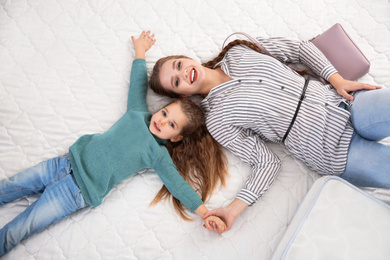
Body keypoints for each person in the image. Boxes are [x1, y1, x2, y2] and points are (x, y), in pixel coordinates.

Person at [0, 31, 228, 256]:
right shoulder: (137, 113)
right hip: (61, 164)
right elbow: (137, 84)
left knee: (22, 227)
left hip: (76, 193)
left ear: (176, 138)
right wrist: (140, 52)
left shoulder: (157, 154)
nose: (162, 120)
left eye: (171, 125)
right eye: (166, 112)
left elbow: (178, 185)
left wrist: (205, 212)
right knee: (10, 185)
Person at [149, 35, 390, 233]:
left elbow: (299, 49)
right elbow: (266, 163)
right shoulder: (218, 121)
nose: (183, 74)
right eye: (176, 82)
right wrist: (232, 210)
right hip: (332, 151)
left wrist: (335, 79)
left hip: (345, 102)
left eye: (178, 65)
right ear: (182, 95)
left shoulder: (238, 52)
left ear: (186, 58)